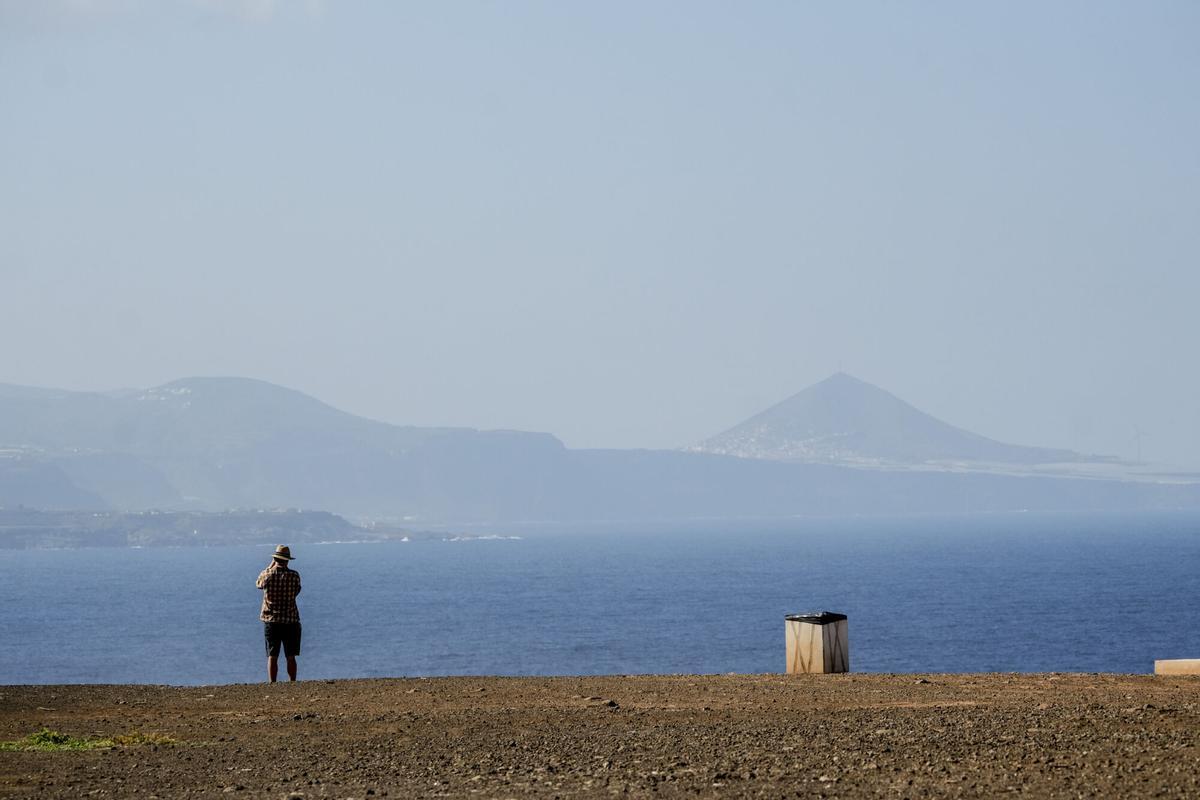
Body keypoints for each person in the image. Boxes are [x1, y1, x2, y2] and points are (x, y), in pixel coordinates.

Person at [256, 545, 302, 682]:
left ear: (275, 558)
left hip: (271, 620)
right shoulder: (294, 576)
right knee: (291, 655)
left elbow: (258, 583)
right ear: (288, 560)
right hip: (290, 620)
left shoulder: (268, 575)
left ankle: (273, 682)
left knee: (272, 655)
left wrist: (270, 566)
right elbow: (297, 591)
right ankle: (292, 682)